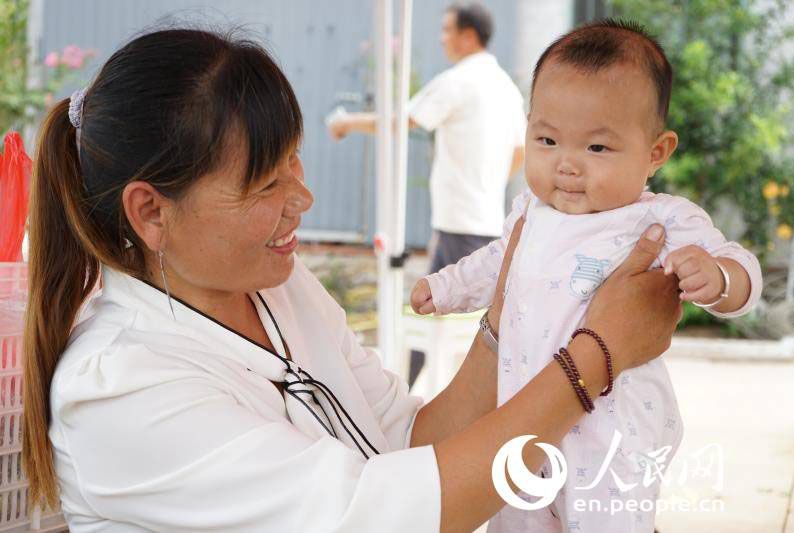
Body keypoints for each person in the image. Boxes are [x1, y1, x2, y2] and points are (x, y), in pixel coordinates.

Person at [22, 28, 682, 532]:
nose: (302, 198)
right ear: (150, 212)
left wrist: (506, 314)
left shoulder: (276, 286)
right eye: (266, 184)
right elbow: (383, 515)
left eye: (295, 161)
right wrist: (597, 355)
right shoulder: (119, 387)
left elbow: (411, 442)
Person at [410, 19, 763, 533]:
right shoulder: (530, 212)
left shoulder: (659, 219)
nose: (567, 165)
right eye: (548, 140)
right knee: (514, 514)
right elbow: (495, 263)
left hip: (611, 429)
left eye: (596, 148)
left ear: (656, 152)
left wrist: (721, 277)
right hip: (525, 414)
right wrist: (445, 288)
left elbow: (742, 267)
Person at [328, 3, 527, 273]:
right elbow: (519, 151)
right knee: (449, 294)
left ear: (468, 36)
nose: (441, 38)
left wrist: (347, 123)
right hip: (485, 221)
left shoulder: (459, 80)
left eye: (447, 30)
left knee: (447, 296)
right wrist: (487, 185)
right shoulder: (507, 87)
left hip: (459, 223)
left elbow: (402, 121)